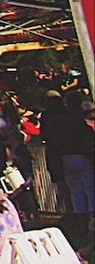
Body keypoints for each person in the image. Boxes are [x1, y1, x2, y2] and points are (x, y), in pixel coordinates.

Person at [44, 90, 95, 220]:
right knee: (90, 189)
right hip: (80, 156)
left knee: (76, 191)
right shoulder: (77, 121)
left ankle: (81, 219)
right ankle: (91, 220)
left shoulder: (55, 122)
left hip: (64, 158)